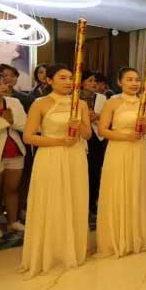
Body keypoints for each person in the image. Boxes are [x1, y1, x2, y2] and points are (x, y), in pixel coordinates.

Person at [21, 63, 92, 277]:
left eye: (71, 77)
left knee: (74, 199)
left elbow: (88, 135)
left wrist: (79, 125)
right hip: (50, 156)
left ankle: (72, 248)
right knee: (52, 200)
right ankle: (50, 250)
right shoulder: (40, 104)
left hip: (75, 156)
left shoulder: (80, 103)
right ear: (49, 80)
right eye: (62, 78)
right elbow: (28, 136)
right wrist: (60, 141)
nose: (68, 82)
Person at [96, 67, 146, 258]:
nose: (134, 84)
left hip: (139, 150)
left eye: (137, 80)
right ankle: (118, 237)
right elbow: (102, 130)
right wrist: (125, 137)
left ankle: (137, 235)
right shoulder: (112, 102)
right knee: (118, 189)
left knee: (138, 188)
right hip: (118, 150)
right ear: (120, 81)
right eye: (129, 80)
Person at [0, 71, 27, 239]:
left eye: (5, 82)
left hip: (15, 151)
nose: (5, 85)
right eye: (0, 83)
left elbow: (24, 124)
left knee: (13, 189)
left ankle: (13, 221)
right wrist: (3, 122)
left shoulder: (14, 102)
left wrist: (11, 122)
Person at [79, 71, 107, 215]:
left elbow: (108, 116)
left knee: (95, 171)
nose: (94, 83)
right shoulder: (74, 98)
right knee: (81, 171)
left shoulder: (101, 98)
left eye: (95, 81)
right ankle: (81, 203)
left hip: (97, 136)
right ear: (82, 82)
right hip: (80, 137)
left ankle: (92, 202)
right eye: (90, 81)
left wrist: (97, 116)